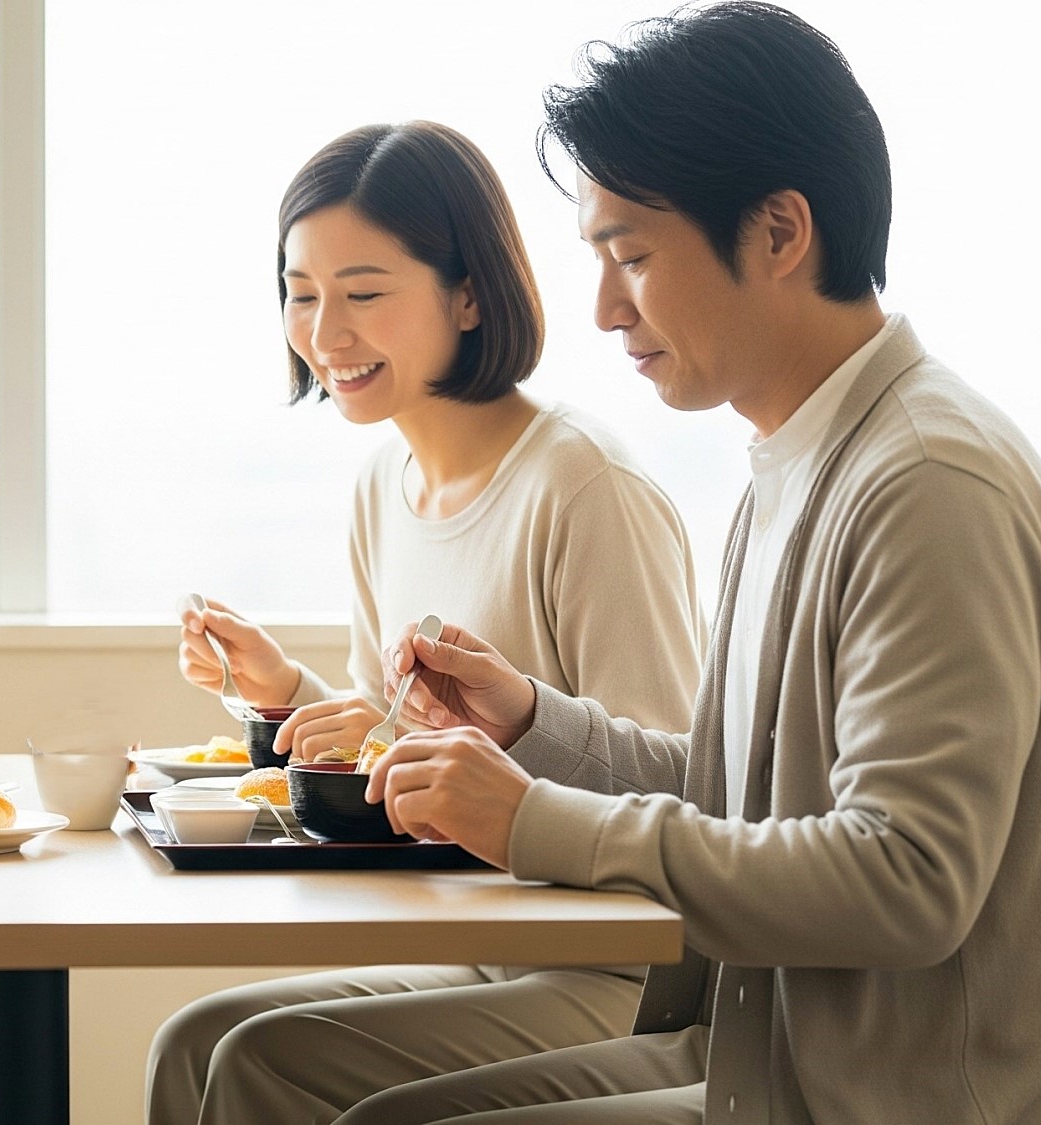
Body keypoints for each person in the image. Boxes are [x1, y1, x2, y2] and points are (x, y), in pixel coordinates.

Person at [349, 4, 1041, 1122]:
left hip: (875, 1099)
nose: (601, 307)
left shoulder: (927, 483)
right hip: (748, 1055)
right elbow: (747, 799)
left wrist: (531, 821)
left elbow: (906, 880)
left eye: (629, 254)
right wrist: (534, 723)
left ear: (779, 233)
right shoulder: (799, 456)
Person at [151, 121, 708, 1125]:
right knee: (199, 1044)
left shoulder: (583, 487)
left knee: (259, 1064)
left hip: (615, 972)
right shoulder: (383, 484)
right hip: (485, 937)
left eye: (362, 293)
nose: (324, 332)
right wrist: (289, 697)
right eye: (301, 292)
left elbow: (675, 780)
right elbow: (400, 742)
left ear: (466, 293)